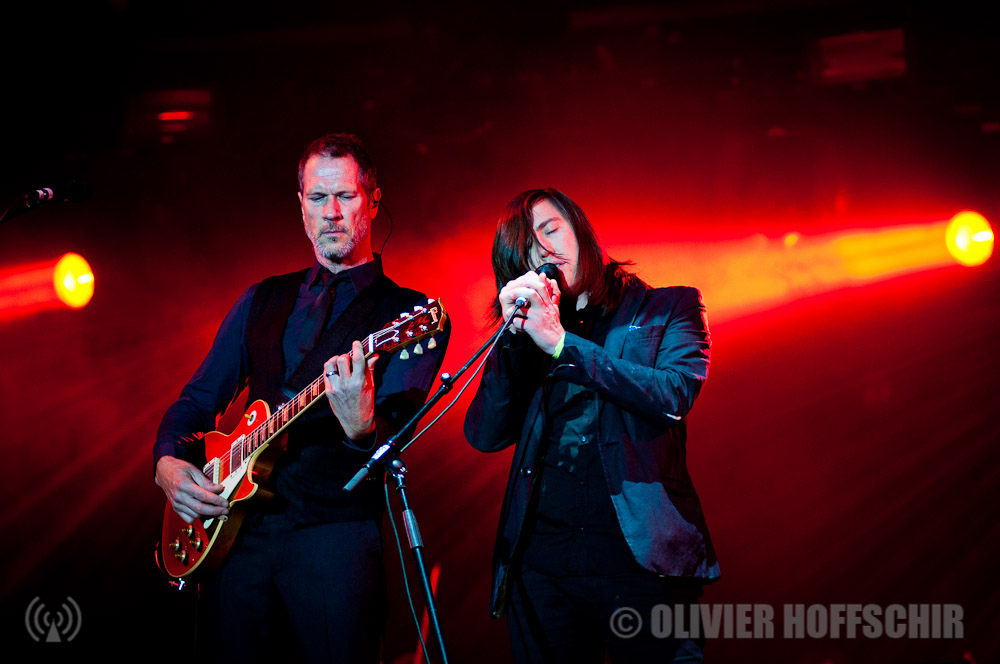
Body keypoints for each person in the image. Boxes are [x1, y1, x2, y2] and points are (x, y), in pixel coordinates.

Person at [153, 133, 449, 663]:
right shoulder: (262, 297)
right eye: (317, 198)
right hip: (235, 537)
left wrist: (362, 428)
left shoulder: (411, 315)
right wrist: (168, 463)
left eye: (346, 197)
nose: (331, 213)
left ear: (373, 200)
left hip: (334, 538)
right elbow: (197, 402)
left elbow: (395, 437)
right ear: (301, 207)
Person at [464, 188, 719, 663]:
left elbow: (672, 395)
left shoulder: (668, 309)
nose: (541, 249)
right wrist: (511, 342)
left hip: (641, 567)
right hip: (542, 570)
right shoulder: (530, 336)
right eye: (525, 246)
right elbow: (484, 434)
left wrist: (563, 345)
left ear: (581, 229)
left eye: (550, 229)